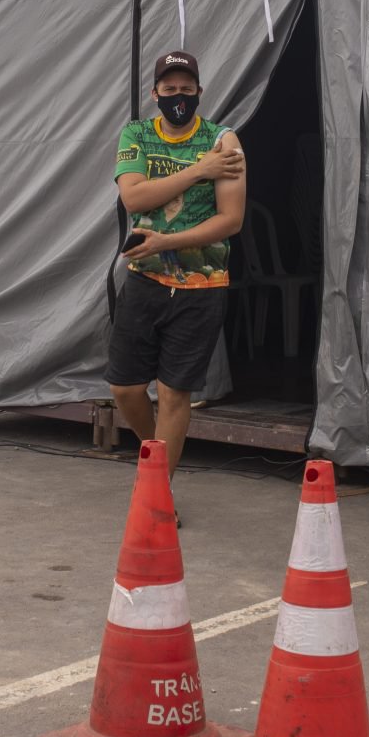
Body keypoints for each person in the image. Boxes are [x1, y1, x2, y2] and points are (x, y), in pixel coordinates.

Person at [108, 51, 246, 501]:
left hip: (201, 286)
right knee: (125, 388)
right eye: (170, 91)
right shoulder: (137, 134)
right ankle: (155, 457)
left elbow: (231, 220)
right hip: (144, 280)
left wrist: (166, 241)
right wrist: (200, 171)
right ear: (155, 94)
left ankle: (155, 495)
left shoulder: (224, 140)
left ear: (200, 93)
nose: (179, 98)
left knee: (173, 394)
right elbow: (134, 197)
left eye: (187, 90)